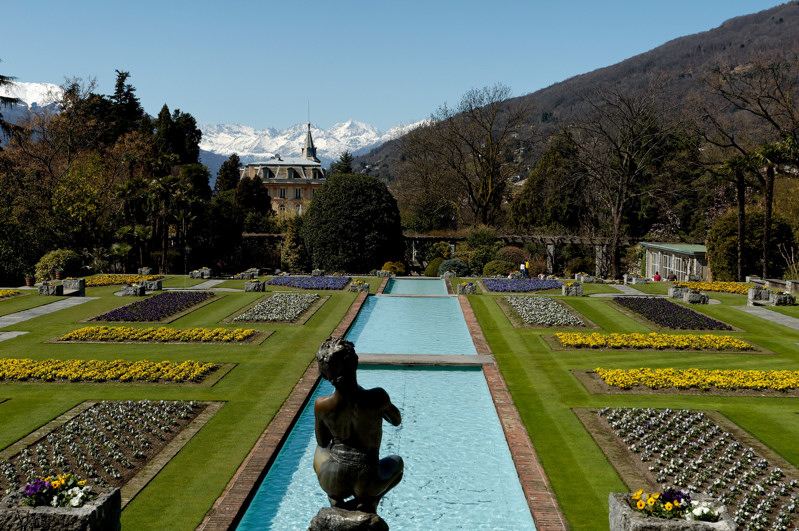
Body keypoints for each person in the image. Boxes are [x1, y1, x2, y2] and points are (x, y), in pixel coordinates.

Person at [313, 337, 404, 513]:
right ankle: (370, 502)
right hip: (369, 482)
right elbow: (396, 420)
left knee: (320, 450)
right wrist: (380, 406)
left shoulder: (322, 405)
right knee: (397, 462)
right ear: (355, 363)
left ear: (325, 373)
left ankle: (335, 500)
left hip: (333, 481)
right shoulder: (377, 397)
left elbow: (323, 442)